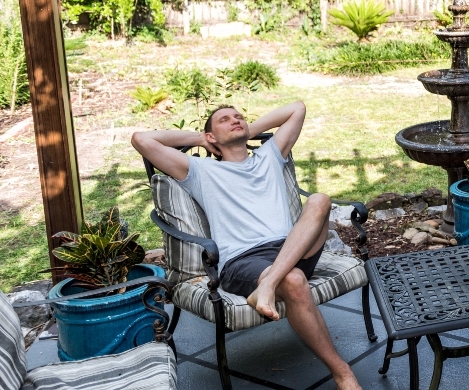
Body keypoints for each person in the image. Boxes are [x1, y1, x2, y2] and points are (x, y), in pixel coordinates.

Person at [132, 101, 361, 390]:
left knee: (319, 200)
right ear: (212, 137)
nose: (235, 120)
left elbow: (297, 108)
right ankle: (343, 374)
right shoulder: (199, 171)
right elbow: (141, 139)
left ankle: (268, 284)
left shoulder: (270, 155)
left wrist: (248, 129)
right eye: (225, 120)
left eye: (239, 117)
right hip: (243, 260)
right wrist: (201, 139)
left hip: (292, 247)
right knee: (293, 279)